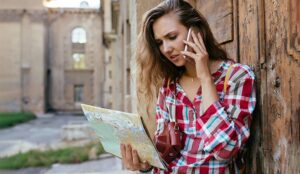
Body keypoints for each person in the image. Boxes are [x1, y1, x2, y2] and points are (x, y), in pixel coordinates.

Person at [120, 0, 256, 173]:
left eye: (172, 37)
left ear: (196, 30)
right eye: (160, 43)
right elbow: (167, 152)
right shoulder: (170, 85)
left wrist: (205, 78)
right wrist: (146, 165)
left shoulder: (237, 77)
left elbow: (225, 151)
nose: (166, 49)